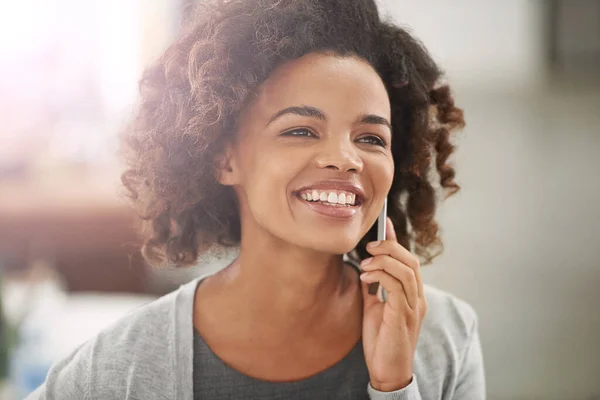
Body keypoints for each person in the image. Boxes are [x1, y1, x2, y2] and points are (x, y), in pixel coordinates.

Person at [29, 0, 485, 398]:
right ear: (224, 160)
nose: (346, 159)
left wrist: (395, 387)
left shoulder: (445, 338)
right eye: (301, 130)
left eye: (371, 138)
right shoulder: (119, 368)